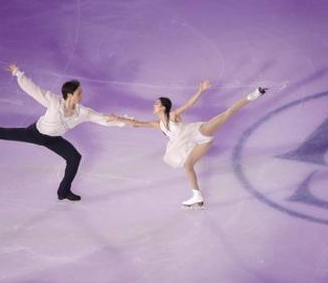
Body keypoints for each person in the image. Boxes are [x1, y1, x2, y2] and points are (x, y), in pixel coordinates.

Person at [0, 64, 125, 201]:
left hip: (53, 139)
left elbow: (101, 118)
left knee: (74, 158)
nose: (82, 95)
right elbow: (33, 90)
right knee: (1, 132)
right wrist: (18, 73)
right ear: (69, 95)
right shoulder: (54, 102)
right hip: (35, 133)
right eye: (79, 93)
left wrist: (122, 120)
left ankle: (63, 192)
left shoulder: (82, 111)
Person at [110, 81, 267, 208]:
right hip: (199, 144)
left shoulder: (172, 116)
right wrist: (118, 119)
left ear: (163, 107)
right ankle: (197, 196)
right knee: (187, 166)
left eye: (156, 104)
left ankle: (254, 94)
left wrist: (201, 90)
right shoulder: (158, 124)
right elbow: (136, 124)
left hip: (200, 133)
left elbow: (189, 105)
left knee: (226, 114)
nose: (153, 105)